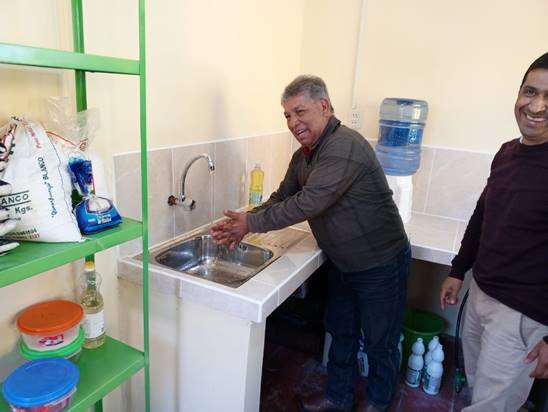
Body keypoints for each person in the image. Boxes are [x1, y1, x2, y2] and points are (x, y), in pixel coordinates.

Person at [211, 75, 410, 412]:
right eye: (287, 115)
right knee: (341, 333)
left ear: (324, 106)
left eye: (299, 111)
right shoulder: (305, 155)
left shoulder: (344, 146)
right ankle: (338, 399)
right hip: (344, 263)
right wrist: (244, 220)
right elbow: (283, 196)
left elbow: (308, 203)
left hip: (381, 263)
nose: (293, 122)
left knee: (380, 343)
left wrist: (251, 224)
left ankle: (378, 403)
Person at [440, 52, 548, 412]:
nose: (536, 106)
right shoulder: (506, 153)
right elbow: (482, 216)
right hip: (481, 294)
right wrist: (458, 270)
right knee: (479, 391)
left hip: (522, 315)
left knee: (491, 406)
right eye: (530, 92)